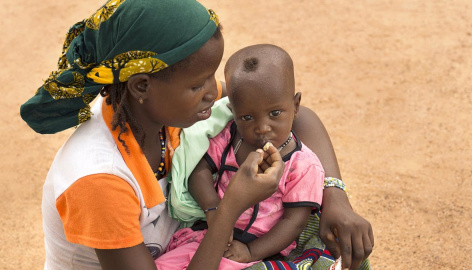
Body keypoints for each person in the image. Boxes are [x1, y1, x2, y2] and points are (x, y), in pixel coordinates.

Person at [19, 0, 373, 269]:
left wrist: (335, 194)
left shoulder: (161, 109)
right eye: (197, 83)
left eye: (212, 76)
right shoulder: (98, 180)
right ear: (142, 84)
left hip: (193, 246)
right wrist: (230, 205)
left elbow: (300, 118)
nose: (213, 92)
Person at [155, 44, 325, 269]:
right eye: (246, 117)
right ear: (232, 111)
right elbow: (200, 172)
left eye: (275, 114)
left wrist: (251, 251)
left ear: (295, 106)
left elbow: (293, 222)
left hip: (257, 249)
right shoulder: (229, 138)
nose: (262, 128)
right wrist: (213, 209)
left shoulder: (303, 165)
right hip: (209, 235)